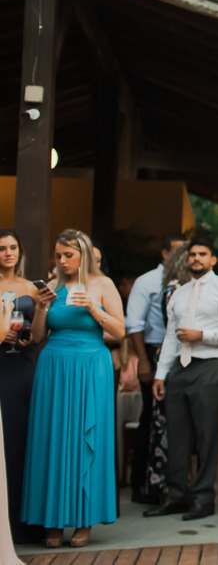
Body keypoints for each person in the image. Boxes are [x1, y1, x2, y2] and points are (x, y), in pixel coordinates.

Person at [23, 229, 125, 548]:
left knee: (85, 440)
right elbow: (37, 337)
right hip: (54, 366)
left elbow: (120, 331)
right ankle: (53, 520)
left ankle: (84, 519)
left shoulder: (103, 284)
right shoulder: (52, 285)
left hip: (91, 365)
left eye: (68, 255)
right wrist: (40, 309)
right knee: (52, 440)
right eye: (59, 256)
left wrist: (94, 308)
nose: (62, 261)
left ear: (83, 254)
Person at [145, 239, 218, 520]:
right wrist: (160, 374)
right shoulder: (179, 293)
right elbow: (169, 335)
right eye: (192, 255)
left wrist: (203, 335)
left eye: (202, 254)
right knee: (176, 435)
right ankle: (177, 495)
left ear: (213, 260)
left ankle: (204, 498)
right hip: (179, 367)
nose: (196, 259)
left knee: (206, 435)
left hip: (210, 365)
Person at [124, 233, 188, 504]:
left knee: (180, 419)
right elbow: (134, 324)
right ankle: (142, 483)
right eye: (178, 251)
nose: (185, 256)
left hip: (183, 353)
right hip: (153, 350)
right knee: (151, 419)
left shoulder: (188, 282)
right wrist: (144, 362)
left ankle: (176, 482)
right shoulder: (147, 281)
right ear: (164, 253)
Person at [0, 229, 40, 544]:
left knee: (25, 440)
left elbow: (40, 335)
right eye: (1, 249)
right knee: (5, 440)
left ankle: (25, 523)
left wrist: (31, 331)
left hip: (25, 366)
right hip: (2, 365)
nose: (8, 253)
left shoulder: (30, 287)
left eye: (13, 247)